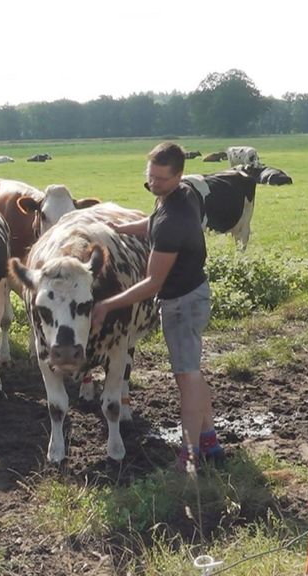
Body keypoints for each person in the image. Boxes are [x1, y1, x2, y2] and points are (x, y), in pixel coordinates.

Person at [90, 142, 220, 472]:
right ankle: (210, 442)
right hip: (192, 295)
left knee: (186, 377)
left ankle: (189, 456)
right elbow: (152, 223)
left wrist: (106, 304)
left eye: (161, 179)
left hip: (182, 304)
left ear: (179, 176)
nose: (154, 184)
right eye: (150, 177)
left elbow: (151, 284)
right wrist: (120, 229)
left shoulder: (172, 220)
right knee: (192, 371)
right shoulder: (182, 195)